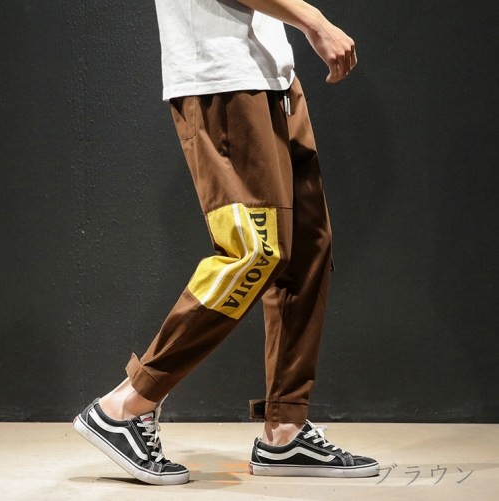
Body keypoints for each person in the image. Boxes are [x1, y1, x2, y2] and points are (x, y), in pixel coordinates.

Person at [73, 0, 379, 485]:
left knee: (307, 252)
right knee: (254, 250)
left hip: (273, 78)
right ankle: (125, 406)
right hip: (221, 78)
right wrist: (314, 22)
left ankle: (285, 431)